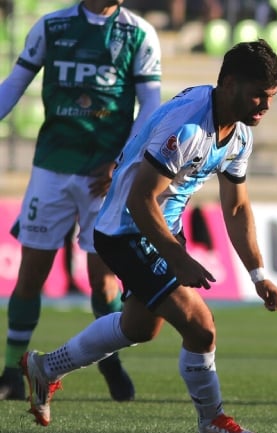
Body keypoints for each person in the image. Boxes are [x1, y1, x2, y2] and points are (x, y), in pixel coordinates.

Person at [20, 39, 277, 433]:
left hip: (158, 225)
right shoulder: (188, 126)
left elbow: (235, 208)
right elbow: (140, 197)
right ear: (229, 83)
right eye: (259, 96)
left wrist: (257, 273)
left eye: (271, 97)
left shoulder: (240, 132)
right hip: (128, 228)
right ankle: (212, 419)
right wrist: (177, 258)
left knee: (140, 328)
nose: (265, 106)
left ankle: (46, 368)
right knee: (200, 327)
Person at [0, 0, 162, 402]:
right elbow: (13, 86)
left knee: (102, 279)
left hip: (104, 178)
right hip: (52, 168)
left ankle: (108, 360)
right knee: (31, 275)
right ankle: (10, 371)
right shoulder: (52, 27)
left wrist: (121, 160)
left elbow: (152, 106)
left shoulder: (139, 33)